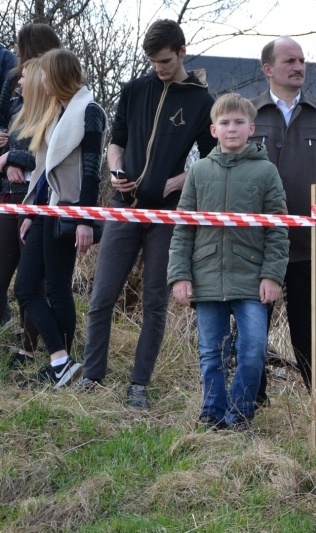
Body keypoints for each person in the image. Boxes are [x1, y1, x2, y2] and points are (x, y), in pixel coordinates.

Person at [74, 20, 216, 409]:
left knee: (155, 301)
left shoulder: (203, 102)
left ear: (182, 52)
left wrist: (176, 184)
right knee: (102, 295)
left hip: (167, 216)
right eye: (153, 62)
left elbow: (210, 161)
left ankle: (139, 385)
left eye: (166, 61)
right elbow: (115, 141)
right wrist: (116, 168)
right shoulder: (134, 89)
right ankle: (91, 375)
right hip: (124, 210)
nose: (159, 68)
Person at [168, 93, 289, 430]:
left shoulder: (267, 172)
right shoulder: (199, 172)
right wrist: (180, 275)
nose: (232, 129)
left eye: (238, 123)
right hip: (206, 277)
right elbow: (183, 228)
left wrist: (272, 276)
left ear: (251, 128)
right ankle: (212, 413)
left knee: (253, 349)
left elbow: (277, 231)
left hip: (252, 280)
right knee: (212, 353)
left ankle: (239, 412)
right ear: (213, 129)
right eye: (225, 123)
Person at [249, 36, 316, 410]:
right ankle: (249, 404)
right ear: (268, 69)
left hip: (307, 247)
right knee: (253, 329)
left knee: (314, 333)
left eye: (302, 60)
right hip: (256, 247)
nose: (299, 66)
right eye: (289, 60)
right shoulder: (248, 113)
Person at [14, 49, 106, 387]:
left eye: (46, 74)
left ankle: (60, 362)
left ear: (59, 76)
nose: (41, 80)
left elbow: (92, 169)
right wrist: (29, 210)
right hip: (45, 209)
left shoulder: (90, 111)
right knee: (25, 287)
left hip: (68, 211)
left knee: (56, 288)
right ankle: (61, 361)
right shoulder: (58, 111)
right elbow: (42, 170)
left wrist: (84, 217)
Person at [0, 24, 61, 368]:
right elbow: (9, 128)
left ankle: (29, 348)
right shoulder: (13, 80)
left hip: (39, 193)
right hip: (10, 192)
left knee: (33, 279)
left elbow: (48, 145)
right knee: (7, 270)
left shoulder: (56, 86)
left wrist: (13, 157)